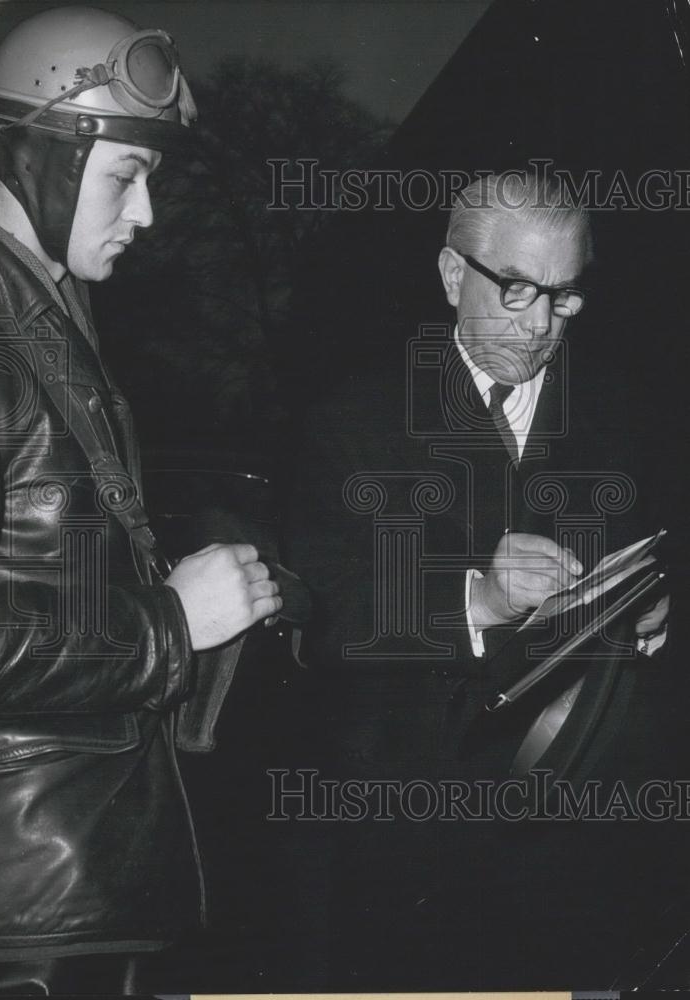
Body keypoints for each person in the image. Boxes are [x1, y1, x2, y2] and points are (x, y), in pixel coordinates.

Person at [284, 170, 671, 987]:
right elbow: (323, 618)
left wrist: (655, 613)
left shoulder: (621, 416)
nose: (541, 327)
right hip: (406, 834)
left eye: (564, 297)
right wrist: (477, 597)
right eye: (519, 290)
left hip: (579, 828)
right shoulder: (354, 418)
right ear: (453, 274)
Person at [0, 7, 282, 995]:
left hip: (80, 880)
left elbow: (48, 572)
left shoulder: (42, 316)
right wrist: (171, 622)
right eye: (125, 175)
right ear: (38, 157)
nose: (148, 213)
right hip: (30, 913)